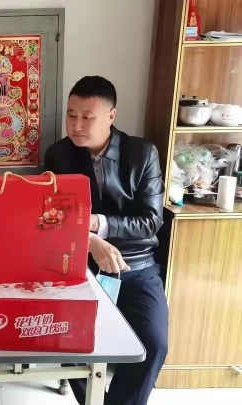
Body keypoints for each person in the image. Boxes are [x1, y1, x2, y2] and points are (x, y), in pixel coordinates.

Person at [44, 77, 168, 405]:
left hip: (136, 266)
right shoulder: (59, 155)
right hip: (81, 264)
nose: (76, 125)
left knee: (154, 344)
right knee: (64, 338)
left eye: (87, 117)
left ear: (111, 116)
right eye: (71, 115)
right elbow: (51, 216)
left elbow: (151, 221)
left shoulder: (142, 153)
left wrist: (97, 225)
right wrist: (88, 240)